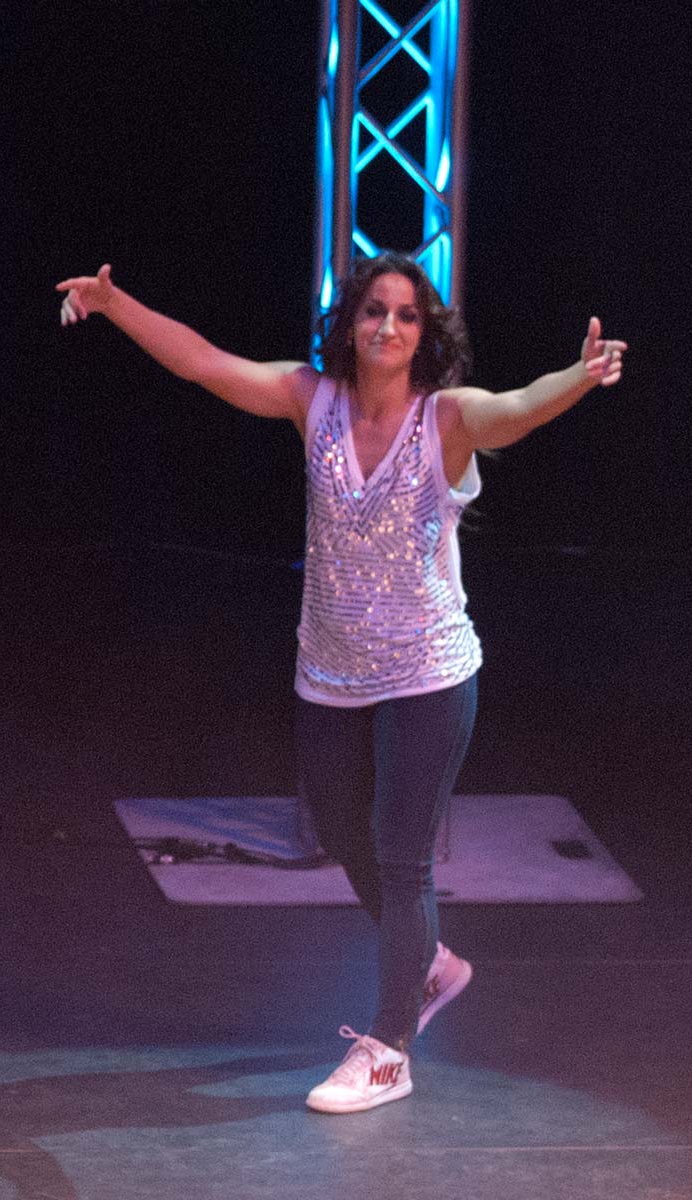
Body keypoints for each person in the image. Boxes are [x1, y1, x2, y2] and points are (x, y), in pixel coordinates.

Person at [55, 253, 625, 1114]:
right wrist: (113, 303)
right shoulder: (310, 399)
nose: (388, 326)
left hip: (428, 671)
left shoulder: (446, 418)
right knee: (344, 836)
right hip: (330, 670)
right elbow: (202, 362)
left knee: (402, 856)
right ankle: (430, 964)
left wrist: (578, 377)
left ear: (424, 335)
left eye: (406, 315)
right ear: (350, 325)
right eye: (373, 311)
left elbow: (515, 409)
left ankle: (390, 1049)